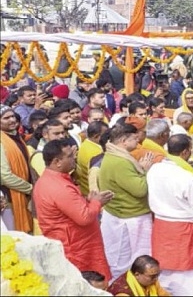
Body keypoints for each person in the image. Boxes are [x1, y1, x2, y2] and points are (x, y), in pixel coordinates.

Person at [33, 139, 113, 281]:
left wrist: (87, 201)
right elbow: (84, 217)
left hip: (74, 243)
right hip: (76, 248)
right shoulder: (58, 186)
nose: (74, 158)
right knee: (86, 284)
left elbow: (69, 208)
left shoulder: (50, 179)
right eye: (69, 156)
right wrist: (97, 203)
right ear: (57, 161)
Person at [148, 134, 193, 296]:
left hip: (161, 224)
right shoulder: (187, 177)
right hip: (183, 226)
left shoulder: (154, 169)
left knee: (165, 266)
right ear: (185, 152)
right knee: (188, 274)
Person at [99, 123, 154, 282]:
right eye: (135, 139)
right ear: (124, 140)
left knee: (121, 257)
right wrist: (145, 170)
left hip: (120, 213)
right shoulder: (120, 161)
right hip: (129, 216)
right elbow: (140, 190)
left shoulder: (113, 155)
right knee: (130, 258)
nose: (138, 143)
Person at [0, 105, 33, 232]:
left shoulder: (15, 137)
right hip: (10, 199)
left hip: (24, 193)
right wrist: (30, 189)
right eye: (6, 118)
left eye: (13, 116)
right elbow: (5, 177)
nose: (12, 120)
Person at [76, 121, 109, 196]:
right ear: (96, 136)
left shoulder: (85, 144)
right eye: (106, 134)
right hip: (94, 193)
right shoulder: (96, 153)